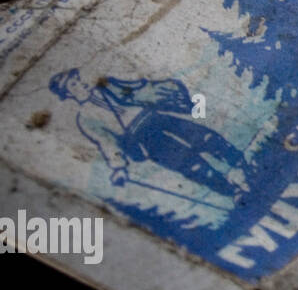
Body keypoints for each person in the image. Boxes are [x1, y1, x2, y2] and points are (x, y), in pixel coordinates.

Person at [49, 68, 251, 197]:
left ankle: (245, 166)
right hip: (142, 139)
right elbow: (106, 142)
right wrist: (119, 167)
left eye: (78, 78)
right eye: (73, 84)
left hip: (154, 117)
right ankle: (232, 191)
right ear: (67, 93)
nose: (81, 83)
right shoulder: (85, 118)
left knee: (206, 137)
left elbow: (138, 87)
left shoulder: (107, 85)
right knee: (189, 164)